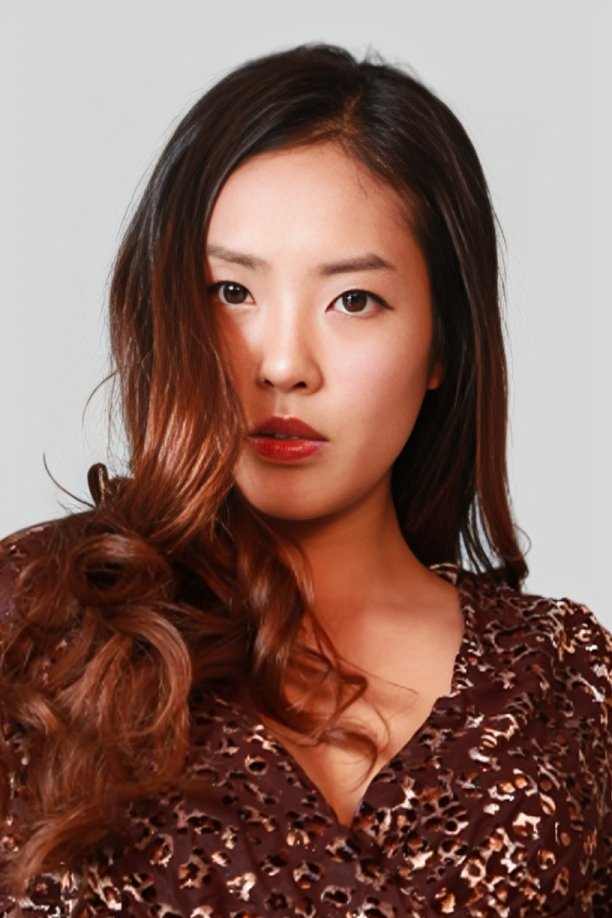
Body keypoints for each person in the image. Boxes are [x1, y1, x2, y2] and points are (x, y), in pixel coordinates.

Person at [0, 42, 609, 917]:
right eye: (230, 292)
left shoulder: (566, 685)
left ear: (443, 343)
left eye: (353, 300)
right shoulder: (36, 623)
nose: (283, 364)